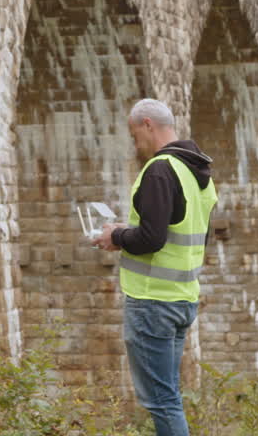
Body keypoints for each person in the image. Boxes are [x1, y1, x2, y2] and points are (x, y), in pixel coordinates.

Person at [92, 98, 217, 436]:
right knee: (168, 397)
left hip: (153, 301)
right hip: (182, 297)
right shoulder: (197, 170)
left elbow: (152, 238)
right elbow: (180, 233)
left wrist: (116, 235)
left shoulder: (160, 169)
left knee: (162, 401)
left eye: (135, 135)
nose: (136, 144)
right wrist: (124, 233)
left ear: (147, 124)